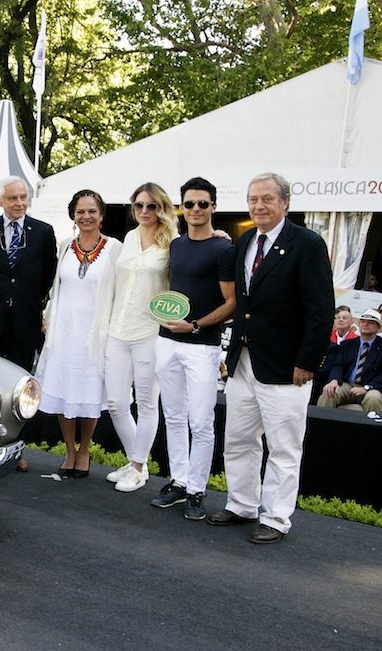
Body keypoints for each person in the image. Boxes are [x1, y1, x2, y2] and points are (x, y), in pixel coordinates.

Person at [208, 172, 334, 545]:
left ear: (285, 203)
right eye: (253, 199)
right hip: (244, 360)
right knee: (238, 438)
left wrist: (307, 362)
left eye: (267, 199)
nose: (259, 206)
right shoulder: (246, 241)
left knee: (283, 446)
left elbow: (320, 310)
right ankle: (242, 504)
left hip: (286, 366)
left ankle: (276, 518)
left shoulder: (308, 244)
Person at [151, 177, 236, 520]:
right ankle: (179, 480)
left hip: (202, 345)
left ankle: (197, 489)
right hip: (166, 341)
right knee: (173, 416)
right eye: (189, 204)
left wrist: (197, 325)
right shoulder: (176, 245)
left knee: (200, 421)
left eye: (203, 203)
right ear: (181, 207)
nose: (196, 209)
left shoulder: (224, 249)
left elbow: (231, 303)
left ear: (213, 206)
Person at [0, 175, 57, 472]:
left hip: (24, 321)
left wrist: (24, 300)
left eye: (23, 197)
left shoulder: (43, 232)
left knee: (20, 388)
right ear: (0, 201)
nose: (19, 203)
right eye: (12, 198)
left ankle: (14, 448)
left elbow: (47, 275)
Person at [34, 190, 122, 478]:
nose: (86, 217)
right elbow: (54, 288)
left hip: (95, 332)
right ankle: (69, 451)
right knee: (64, 388)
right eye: (80, 211)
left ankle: (84, 450)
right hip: (64, 330)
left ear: (102, 215)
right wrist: (47, 317)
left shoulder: (114, 248)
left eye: (92, 211)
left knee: (89, 389)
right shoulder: (64, 246)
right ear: (73, 215)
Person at [103, 182, 177, 493]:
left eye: (151, 205)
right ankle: (139, 463)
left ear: (162, 208)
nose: (144, 211)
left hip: (150, 332)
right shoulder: (129, 238)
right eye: (138, 205)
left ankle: (136, 466)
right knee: (116, 402)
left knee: (147, 403)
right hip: (118, 329)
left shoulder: (173, 243)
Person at [317, 309, 382, 414]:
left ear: (378, 327)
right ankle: (320, 422)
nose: (365, 324)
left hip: (371, 388)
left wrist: (366, 388)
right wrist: (334, 380)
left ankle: (370, 425)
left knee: (374, 398)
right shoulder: (347, 344)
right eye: (363, 321)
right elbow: (338, 365)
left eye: (370, 322)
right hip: (347, 385)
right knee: (329, 392)